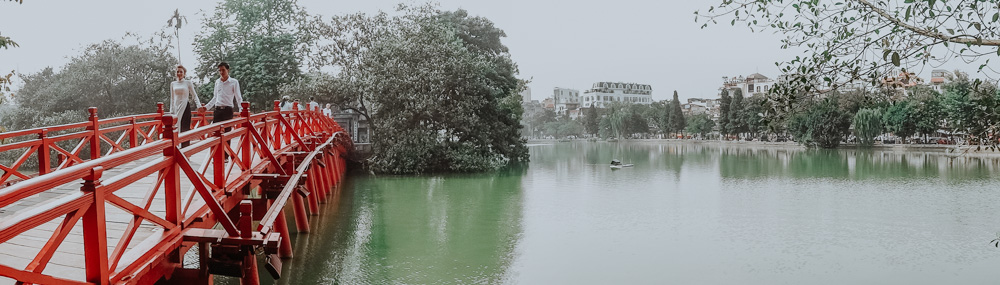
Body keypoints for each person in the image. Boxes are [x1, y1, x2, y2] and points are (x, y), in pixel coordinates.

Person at [204, 61, 243, 160]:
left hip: (227, 110)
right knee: (215, 132)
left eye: (223, 70)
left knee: (227, 133)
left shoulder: (234, 82)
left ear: (228, 70)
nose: (221, 72)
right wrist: (206, 107)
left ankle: (225, 156)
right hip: (217, 110)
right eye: (219, 70)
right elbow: (215, 97)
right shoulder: (217, 82)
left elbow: (238, 97)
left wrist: (241, 110)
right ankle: (216, 156)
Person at [169, 64, 202, 147]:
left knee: (185, 128)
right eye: (177, 72)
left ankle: (185, 149)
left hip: (185, 107)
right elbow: (172, 98)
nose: (179, 73)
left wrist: (199, 106)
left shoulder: (188, 83)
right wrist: (171, 110)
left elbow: (194, 95)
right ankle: (176, 147)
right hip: (176, 107)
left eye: (181, 72)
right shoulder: (173, 84)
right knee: (176, 127)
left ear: (184, 73)